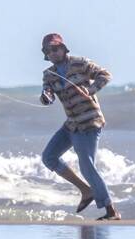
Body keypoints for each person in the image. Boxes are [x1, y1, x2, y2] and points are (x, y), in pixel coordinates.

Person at [38, 33, 121, 220]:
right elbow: (47, 94)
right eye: (47, 50)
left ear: (63, 48)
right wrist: (46, 98)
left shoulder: (80, 63)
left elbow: (105, 75)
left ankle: (111, 211)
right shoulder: (48, 74)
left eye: (55, 48)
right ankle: (85, 190)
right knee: (49, 157)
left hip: (89, 122)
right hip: (71, 124)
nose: (52, 53)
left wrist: (90, 90)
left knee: (87, 166)